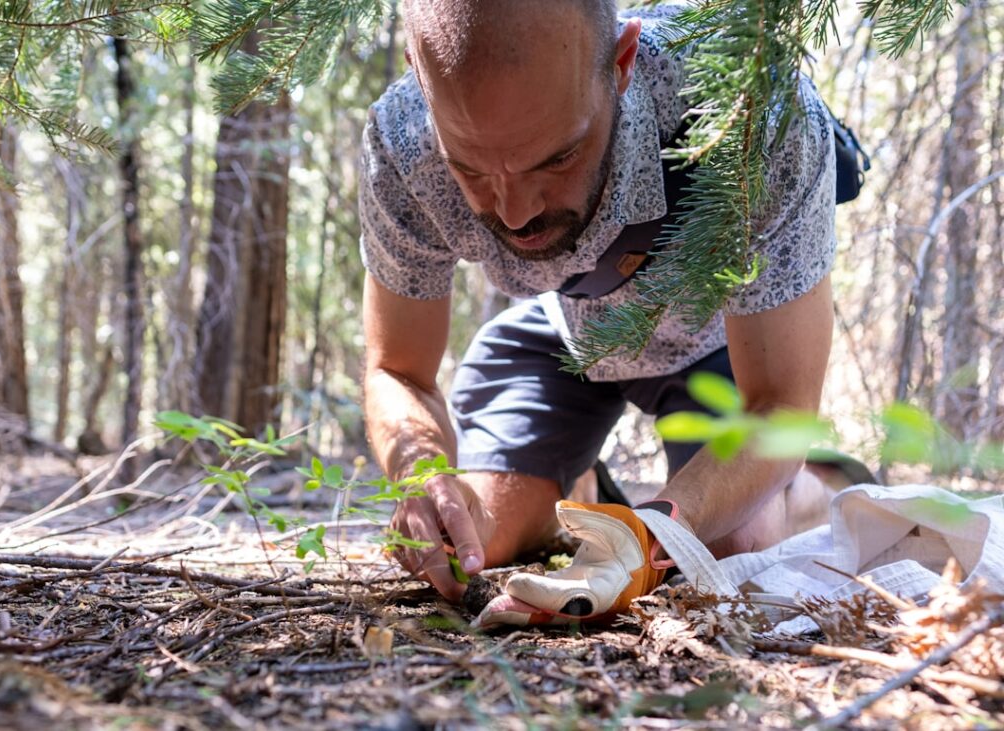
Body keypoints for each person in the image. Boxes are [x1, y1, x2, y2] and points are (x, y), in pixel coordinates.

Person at [359, 0, 839, 621]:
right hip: (564, 336)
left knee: (726, 547)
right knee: (468, 541)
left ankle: (818, 488)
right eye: (468, 168)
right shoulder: (402, 142)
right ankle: (578, 489)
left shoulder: (753, 110)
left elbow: (778, 408)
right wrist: (421, 476)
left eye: (558, 158)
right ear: (421, 80)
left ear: (622, 62)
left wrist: (650, 535)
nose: (515, 213)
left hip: (720, 344)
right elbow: (398, 370)